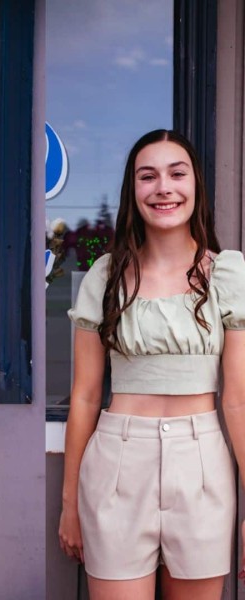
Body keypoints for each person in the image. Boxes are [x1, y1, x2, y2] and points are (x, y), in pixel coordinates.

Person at [59, 129, 245, 599]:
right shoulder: (105, 277)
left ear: (196, 185)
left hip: (201, 463)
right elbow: (84, 395)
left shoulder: (227, 274)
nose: (164, 187)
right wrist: (69, 504)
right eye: (148, 176)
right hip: (118, 463)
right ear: (133, 191)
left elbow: (240, 402)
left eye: (176, 173)